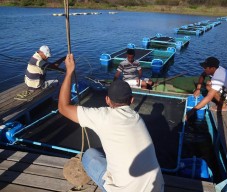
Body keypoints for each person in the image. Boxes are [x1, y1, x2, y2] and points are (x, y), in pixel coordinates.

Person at [58, 54, 164, 192]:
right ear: (131, 100)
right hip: (158, 188)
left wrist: (69, 72)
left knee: (89, 155)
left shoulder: (103, 116)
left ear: (107, 100)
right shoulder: (137, 117)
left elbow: (63, 107)